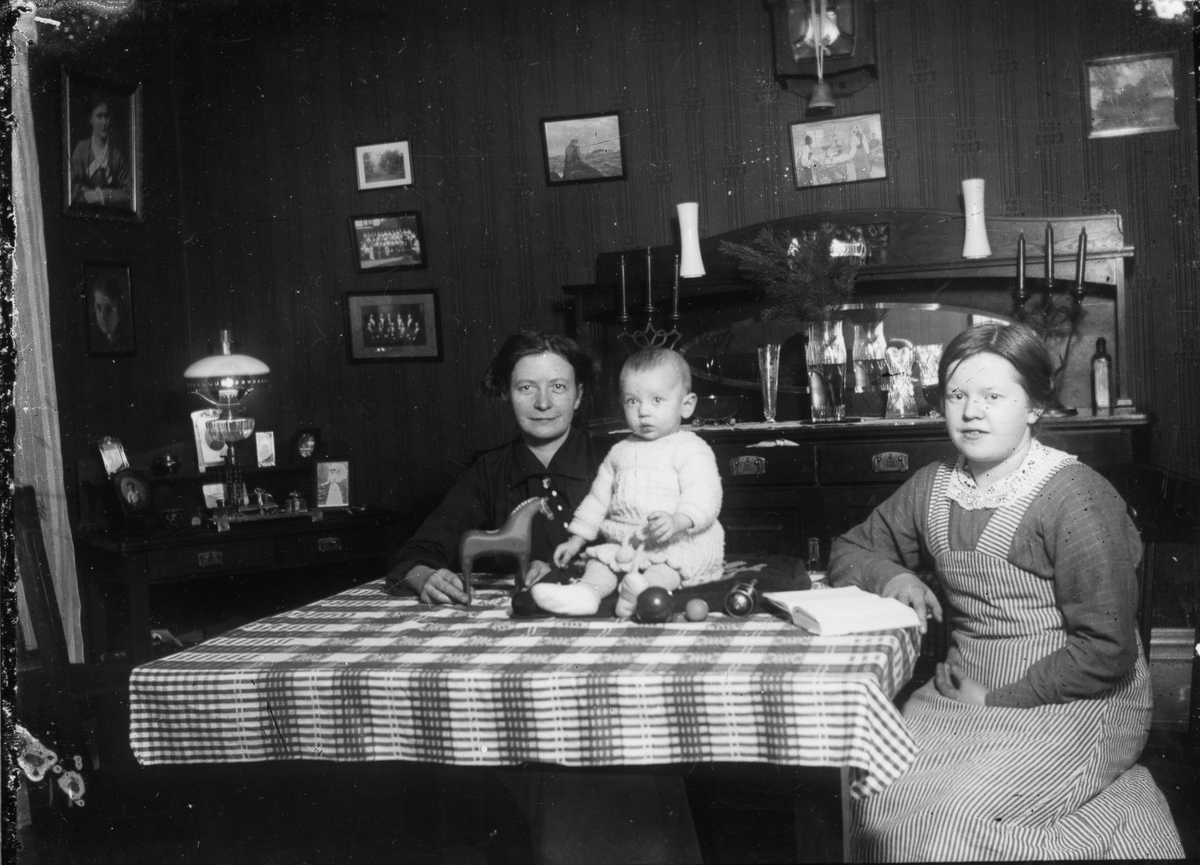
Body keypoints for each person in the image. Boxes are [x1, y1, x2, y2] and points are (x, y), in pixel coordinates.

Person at [827, 321, 1185, 861]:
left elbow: (1107, 651)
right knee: (872, 795)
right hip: (961, 687)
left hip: (1075, 698)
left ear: (1034, 407)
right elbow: (849, 549)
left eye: (993, 396)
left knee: (955, 821)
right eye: (957, 395)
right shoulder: (932, 486)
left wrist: (997, 699)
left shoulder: (1075, 497)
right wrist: (894, 576)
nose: (971, 412)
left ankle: (1116, 809)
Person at [383, 331, 704, 865]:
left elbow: (674, 539)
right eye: (525, 387)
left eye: (558, 387)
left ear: (579, 396)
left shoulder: (626, 456)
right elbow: (418, 550)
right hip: (525, 669)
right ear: (506, 395)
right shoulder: (488, 472)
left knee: (635, 793)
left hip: (617, 656)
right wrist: (422, 575)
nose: (542, 402)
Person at [534, 347, 724, 617]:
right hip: (627, 540)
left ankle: (641, 593)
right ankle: (586, 593)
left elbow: (704, 494)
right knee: (600, 564)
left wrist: (678, 520)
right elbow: (598, 500)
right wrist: (576, 540)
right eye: (633, 401)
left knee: (666, 569)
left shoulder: (690, 448)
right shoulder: (619, 452)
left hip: (678, 540)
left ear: (686, 405)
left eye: (657, 400)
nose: (643, 411)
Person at [70, 94, 132, 210]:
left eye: (106, 116)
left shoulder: (116, 155)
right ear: (90, 119)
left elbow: (129, 192)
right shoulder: (81, 149)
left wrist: (103, 196)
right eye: (99, 116)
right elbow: (71, 187)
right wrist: (87, 195)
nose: (104, 122)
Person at [89, 275, 134, 354]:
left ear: (119, 311)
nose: (103, 316)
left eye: (109, 309)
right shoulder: (98, 344)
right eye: (99, 307)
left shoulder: (127, 345)